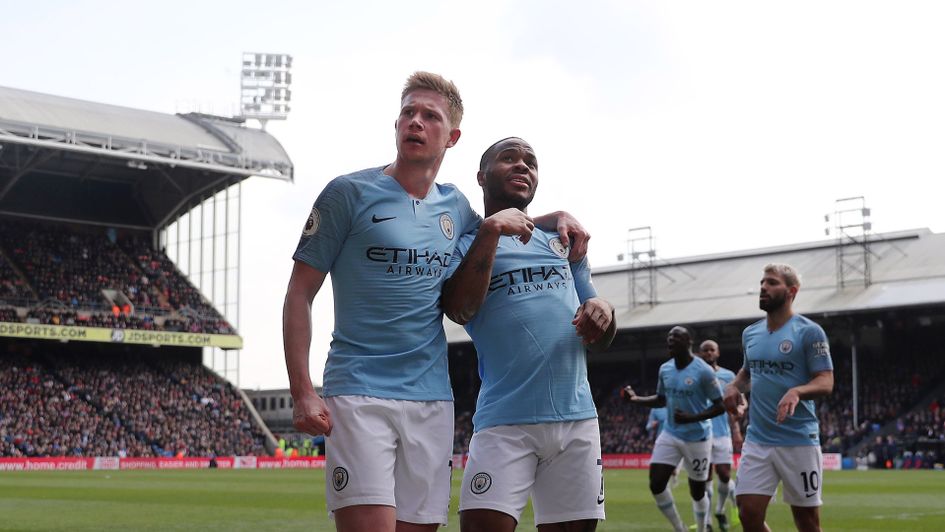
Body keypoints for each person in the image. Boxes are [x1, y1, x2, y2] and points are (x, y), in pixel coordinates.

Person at [283, 74, 589, 532]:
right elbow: (299, 293)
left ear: (452, 136)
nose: (416, 122)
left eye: (430, 116)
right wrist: (303, 389)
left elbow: (497, 224)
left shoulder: (455, 207)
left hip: (432, 398)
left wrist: (555, 216)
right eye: (408, 112)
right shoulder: (348, 193)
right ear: (396, 122)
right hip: (359, 389)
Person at [441, 137, 616, 532]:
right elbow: (460, 309)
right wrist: (490, 232)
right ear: (481, 177)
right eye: (509, 158)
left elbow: (600, 336)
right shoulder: (464, 244)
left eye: (531, 162)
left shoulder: (563, 242)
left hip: (577, 421)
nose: (523, 166)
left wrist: (603, 311)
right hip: (505, 423)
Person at [722, 264, 834, 532]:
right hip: (758, 440)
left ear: (791, 291)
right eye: (762, 282)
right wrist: (733, 386)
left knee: (807, 522)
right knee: (748, 514)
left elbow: (825, 381)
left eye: (772, 283)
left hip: (798, 440)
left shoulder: (809, 332)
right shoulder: (751, 333)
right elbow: (747, 372)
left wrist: (797, 391)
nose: (763, 287)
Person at [622, 326, 724, 532]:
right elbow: (661, 400)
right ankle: (680, 528)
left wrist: (693, 417)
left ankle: (704, 528)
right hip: (670, 433)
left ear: (688, 343)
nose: (670, 342)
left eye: (675, 338)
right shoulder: (665, 369)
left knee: (697, 492)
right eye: (668, 339)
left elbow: (720, 406)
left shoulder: (703, 371)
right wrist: (635, 399)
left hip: (698, 438)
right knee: (656, 484)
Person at [697, 340, 743, 532]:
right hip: (701, 434)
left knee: (724, 475)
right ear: (700, 354)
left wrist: (737, 430)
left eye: (712, 349)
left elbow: (737, 404)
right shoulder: (695, 374)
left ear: (718, 352)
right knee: (704, 479)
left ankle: (719, 510)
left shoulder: (728, 376)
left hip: (723, 432)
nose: (708, 353)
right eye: (705, 350)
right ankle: (706, 522)